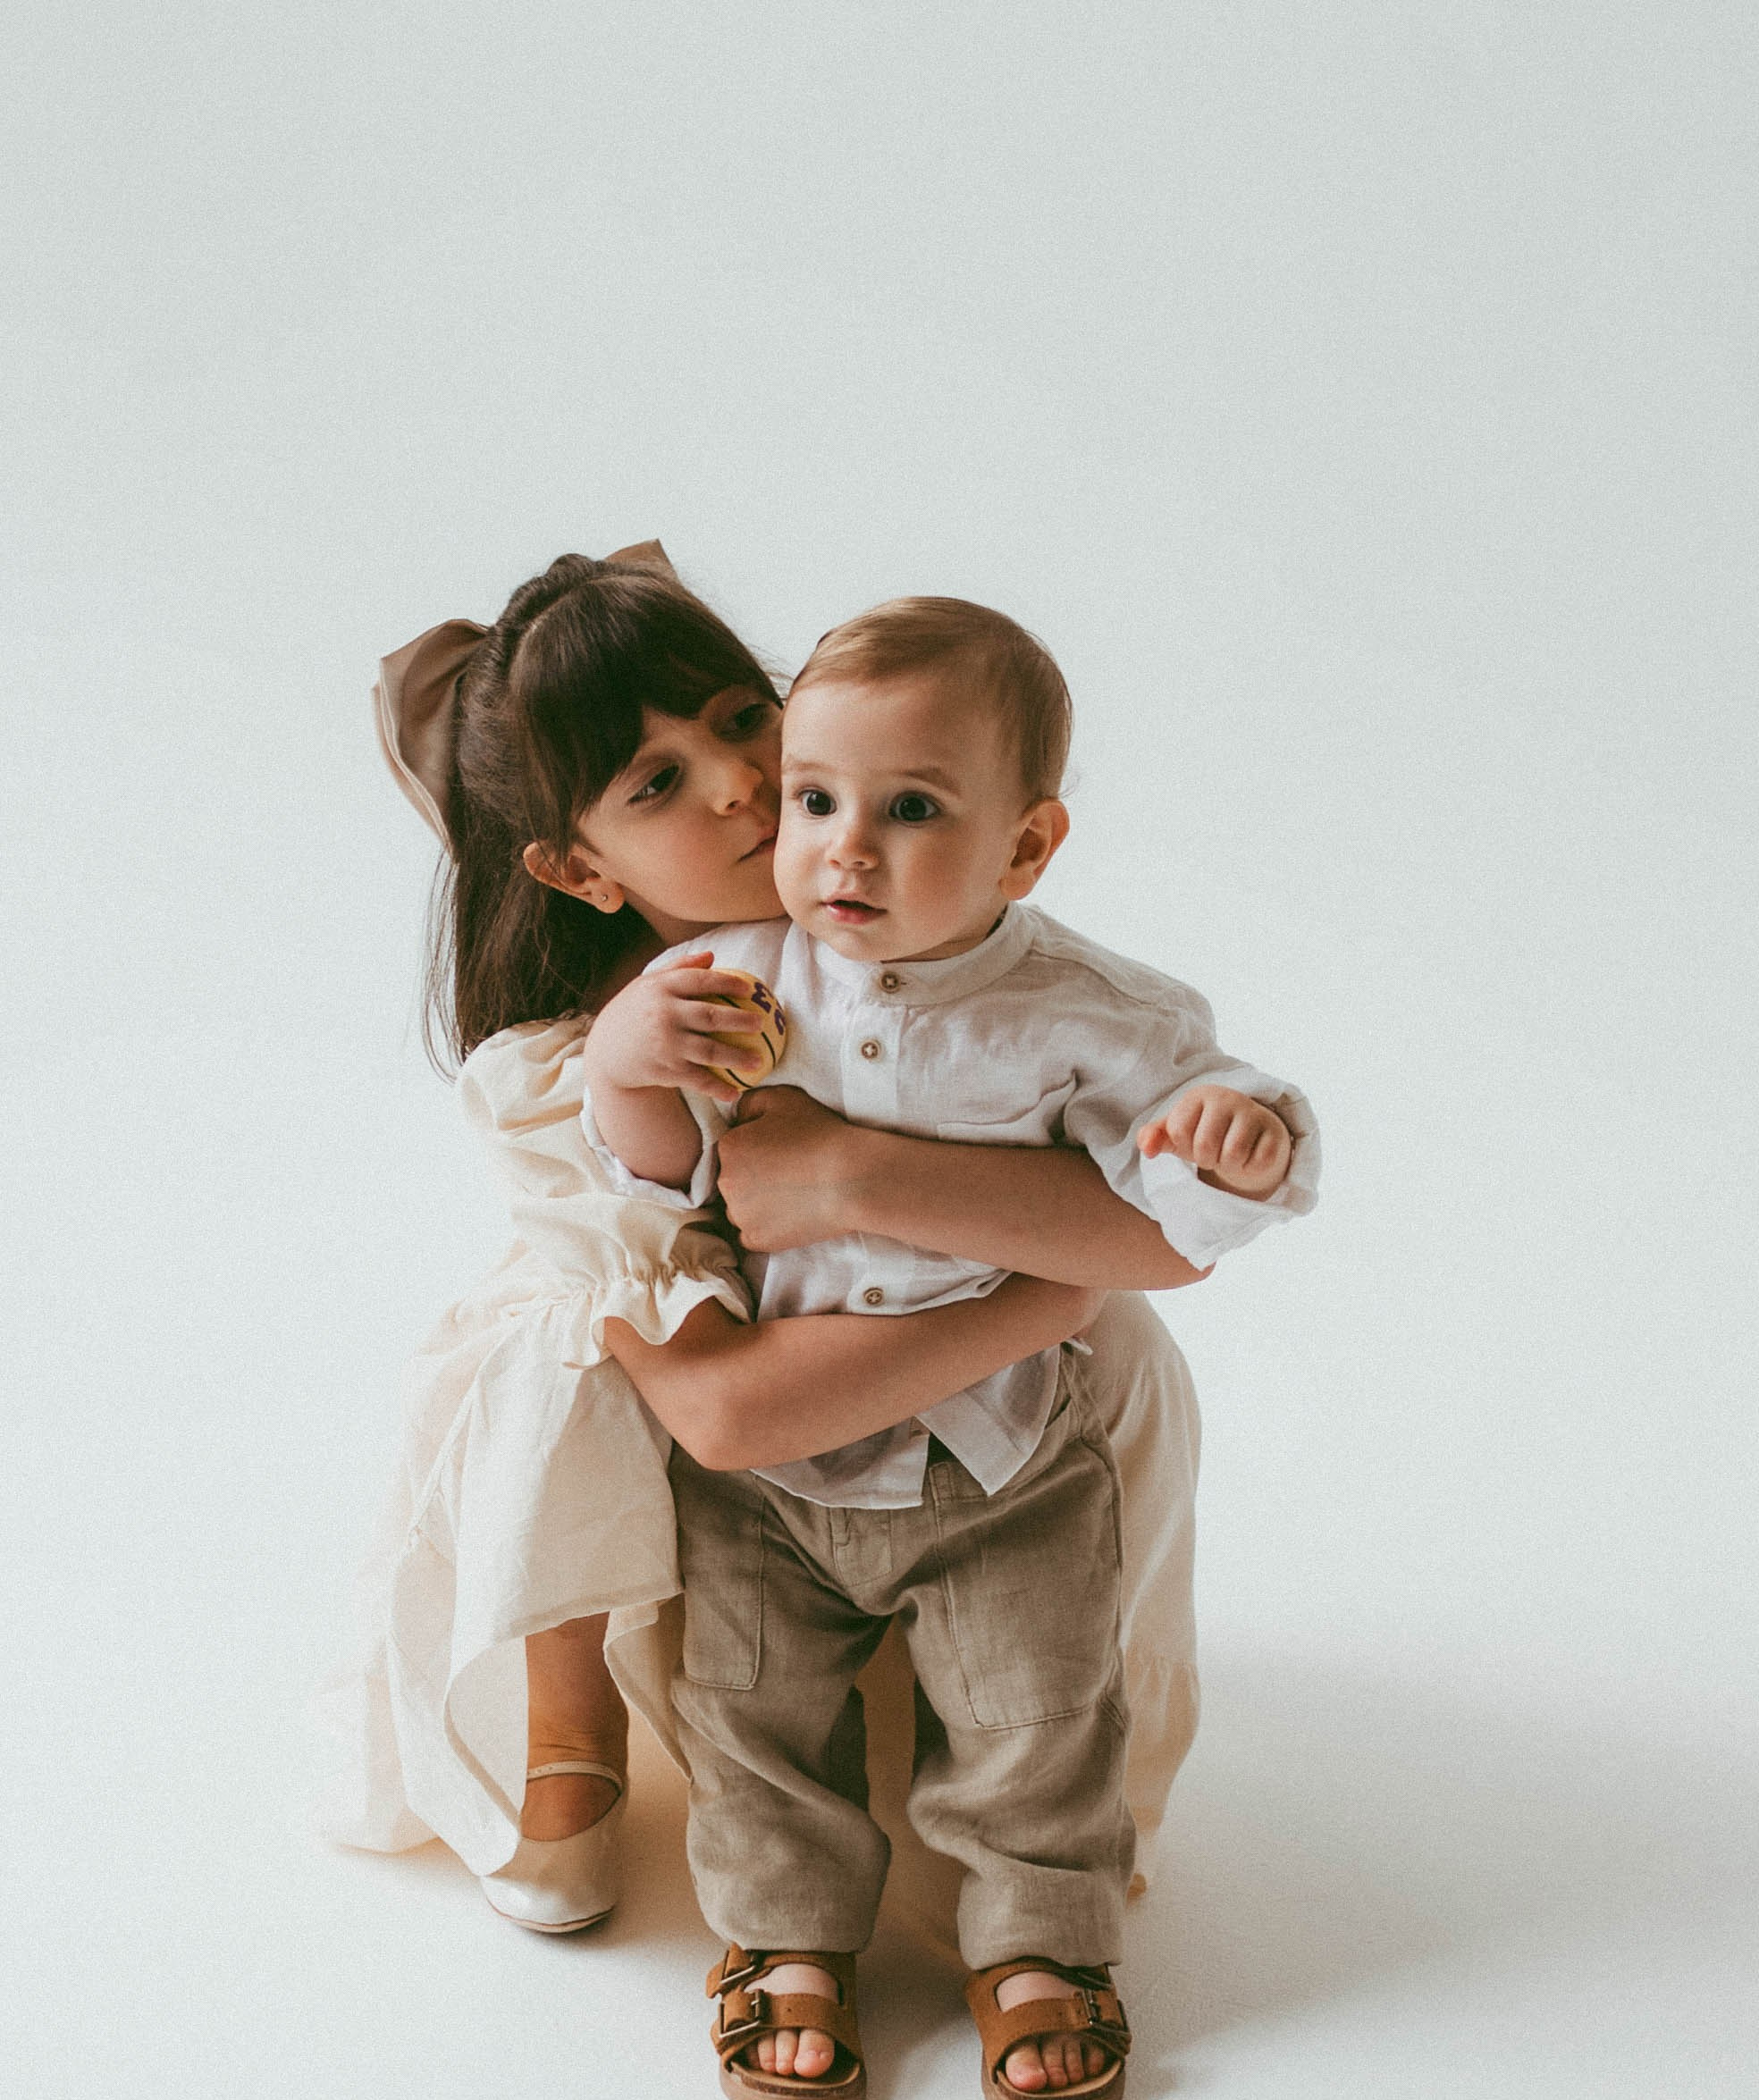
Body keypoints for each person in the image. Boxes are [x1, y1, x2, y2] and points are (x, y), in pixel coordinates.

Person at [318, 547, 1209, 2001]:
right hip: (746, 1455)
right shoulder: (576, 1065)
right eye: (655, 784)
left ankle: (1019, 1775)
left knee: (1117, 1370)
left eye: (743, 722)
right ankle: (572, 1739)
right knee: (562, 1366)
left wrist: (855, 1177)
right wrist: (1047, 1280)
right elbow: (723, 1418)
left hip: (969, 1428)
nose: (738, 785)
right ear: (581, 867)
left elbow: (1171, 1236)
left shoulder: (921, 923)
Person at [585, 596, 1318, 2100]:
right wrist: (629, 1067)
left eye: (912, 810)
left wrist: (1233, 1149)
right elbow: (655, 1191)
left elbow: (1188, 1187)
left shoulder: (1090, 1015)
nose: (846, 848)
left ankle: (1041, 1946)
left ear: (1028, 846)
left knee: (1039, 1715)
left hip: (1001, 1456)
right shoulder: (734, 976)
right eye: (816, 801)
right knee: (751, 1712)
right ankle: (785, 1933)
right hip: (779, 1474)